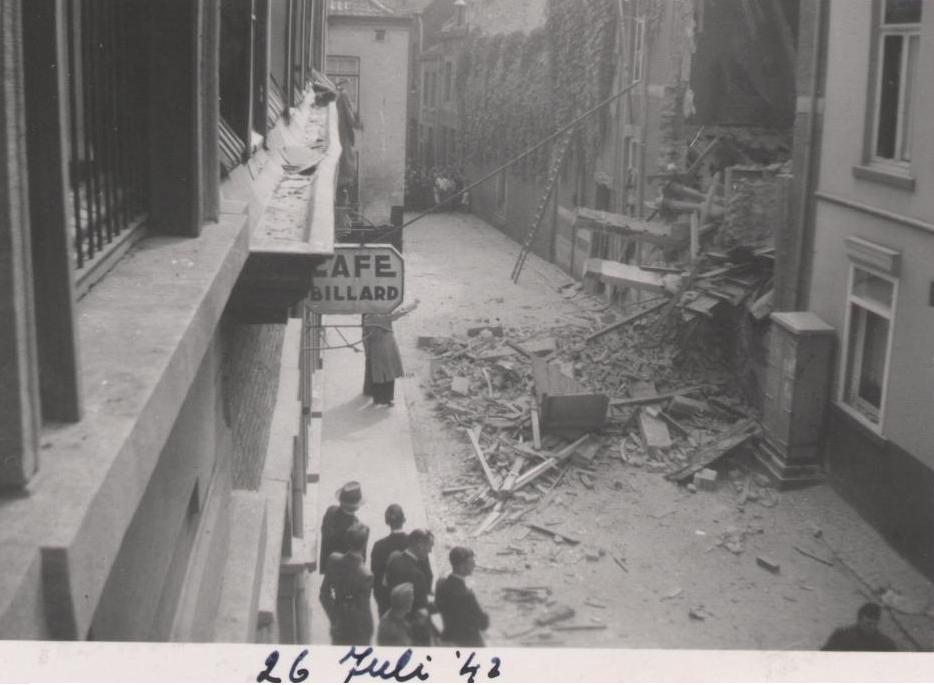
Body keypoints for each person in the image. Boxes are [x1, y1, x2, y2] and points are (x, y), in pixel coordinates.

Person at [319, 523, 374, 645]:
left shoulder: (333, 559)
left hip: (338, 626)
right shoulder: (366, 575)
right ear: (364, 544)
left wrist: (335, 619)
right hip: (358, 631)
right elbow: (363, 609)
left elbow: (324, 594)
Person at [362, 299, 419, 407]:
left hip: (375, 349)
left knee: (377, 374)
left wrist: (367, 351)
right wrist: (413, 305)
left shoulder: (367, 319)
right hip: (388, 348)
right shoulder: (385, 316)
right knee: (389, 374)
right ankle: (387, 399)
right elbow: (400, 313)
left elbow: (366, 338)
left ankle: (377, 399)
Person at [383, 528, 435, 645]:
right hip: (412, 627)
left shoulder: (394, 558)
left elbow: (385, 584)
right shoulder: (417, 574)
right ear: (420, 545)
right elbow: (422, 610)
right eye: (429, 546)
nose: (430, 551)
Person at [435, 546, 489, 647]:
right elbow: (483, 624)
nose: (474, 565)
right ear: (461, 566)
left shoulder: (441, 584)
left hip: (448, 636)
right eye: (471, 562)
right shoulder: (467, 595)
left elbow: (438, 606)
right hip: (467, 642)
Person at [319, 481, 367, 574]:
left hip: (328, 567)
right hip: (345, 574)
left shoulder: (330, 511)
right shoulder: (357, 529)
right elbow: (360, 560)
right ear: (357, 506)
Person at [371, 504, 410, 616]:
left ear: (387, 522)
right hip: (410, 602)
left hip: (388, 603)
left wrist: (381, 604)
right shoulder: (413, 542)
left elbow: (376, 579)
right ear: (404, 520)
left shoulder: (379, 546)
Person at [821, 602, 897, 651]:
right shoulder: (842, 636)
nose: (872, 628)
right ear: (859, 621)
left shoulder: (886, 645)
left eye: (875, 624)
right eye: (868, 624)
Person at [376, 582, 414, 647]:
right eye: (411, 598)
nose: (413, 600)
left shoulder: (392, 615)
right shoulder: (391, 629)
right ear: (406, 604)